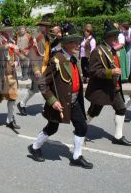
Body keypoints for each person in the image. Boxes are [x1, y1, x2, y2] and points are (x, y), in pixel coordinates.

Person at [28, 23, 93, 169]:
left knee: (82, 126)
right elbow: (42, 83)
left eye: (78, 41)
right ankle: (35, 147)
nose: (77, 45)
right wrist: (52, 101)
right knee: (52, 128)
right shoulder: (56, 60)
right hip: (60, 102)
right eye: (74, 42)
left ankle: (76, 156)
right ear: (66, 44)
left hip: (74, 100)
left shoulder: (73, 58)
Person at [85, 21, 131, 146]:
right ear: (107, 37)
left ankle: (118, 136)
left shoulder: (111, 50)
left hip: (113, 86)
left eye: (116, 36)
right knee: (93, 112)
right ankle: (81, 128)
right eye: (113, 36)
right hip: (102, 89)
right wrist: (111, 72)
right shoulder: (98, 51)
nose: (116, 38)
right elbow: (93, 71)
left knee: (121, 109)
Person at [16, 14, 52, 116]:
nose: (49, 28)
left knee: (35, 89)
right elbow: (32, 53)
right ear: (42, 26)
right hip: (38, 68)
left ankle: (22, 104)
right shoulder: (37, 36)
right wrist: (36, 69)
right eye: (47, 26)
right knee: (43, 87)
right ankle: (48, 107)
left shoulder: (46, 36)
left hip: (44, 67)